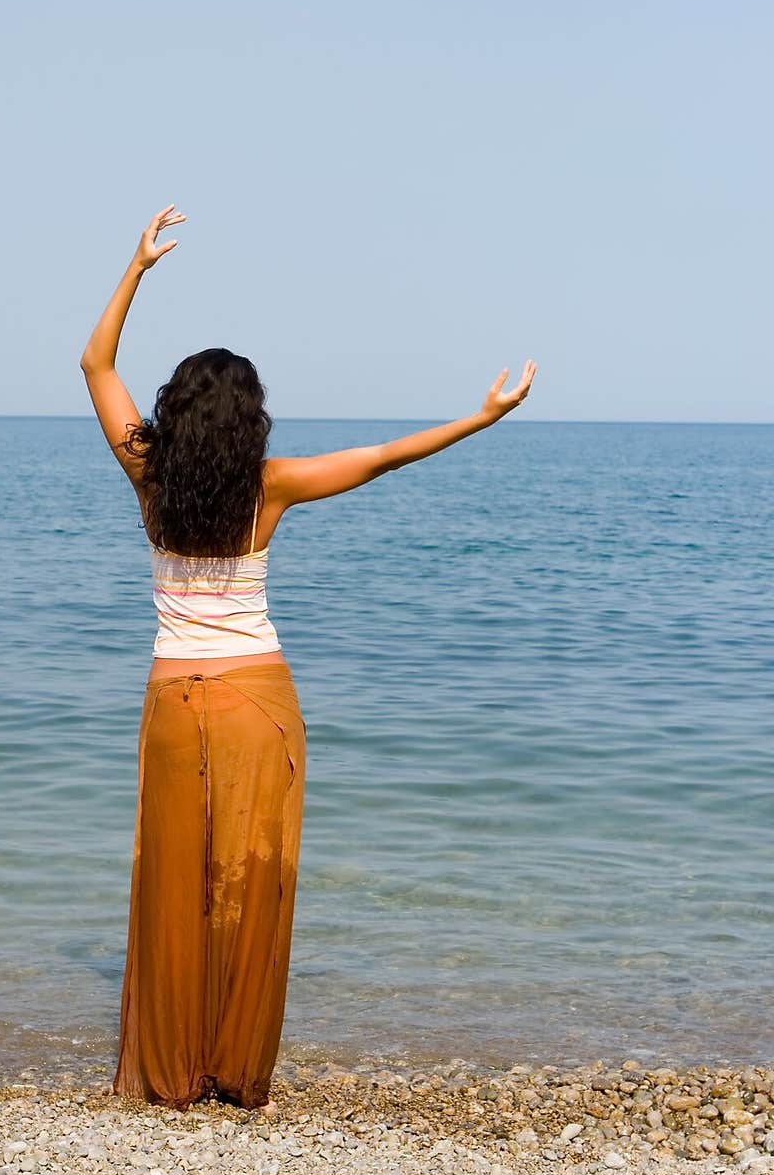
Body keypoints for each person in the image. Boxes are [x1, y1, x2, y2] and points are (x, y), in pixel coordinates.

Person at [80, 204, 537, 1111]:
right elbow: (382, 459)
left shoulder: (147, 475)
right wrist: (481, 418)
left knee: (172, 876)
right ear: (250, 421)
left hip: (174, 702)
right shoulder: (271, 484)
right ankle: (236, 1070)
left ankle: (170, 1074)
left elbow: (95, 365)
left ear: (174, 413)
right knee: (251, 876)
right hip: (258, 698)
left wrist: (134, 269)